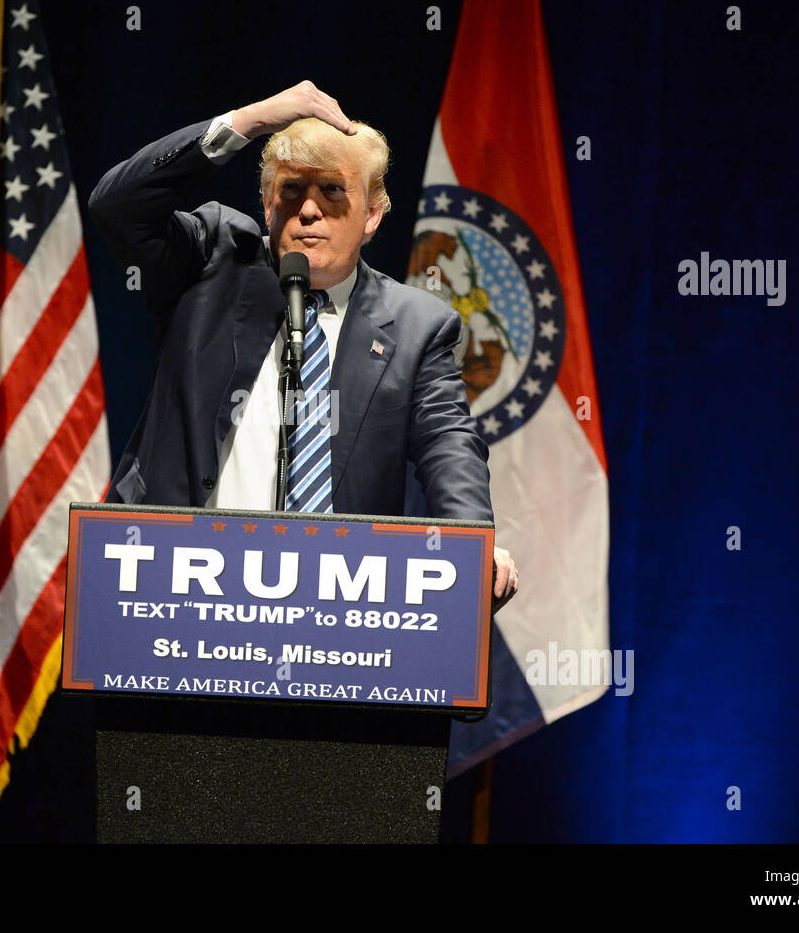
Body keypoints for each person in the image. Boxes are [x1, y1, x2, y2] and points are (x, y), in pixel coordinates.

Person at [89, 81, 518, 611]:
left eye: (333, 192)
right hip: (176, 602)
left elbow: (450, 447)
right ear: (267, 202)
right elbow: (117, 204)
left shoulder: (417, 326)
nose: (308, 211)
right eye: (292, 190)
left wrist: (473, 545)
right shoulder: (215, 258)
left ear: (373, 214)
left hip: (331, 623)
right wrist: (248, 119)